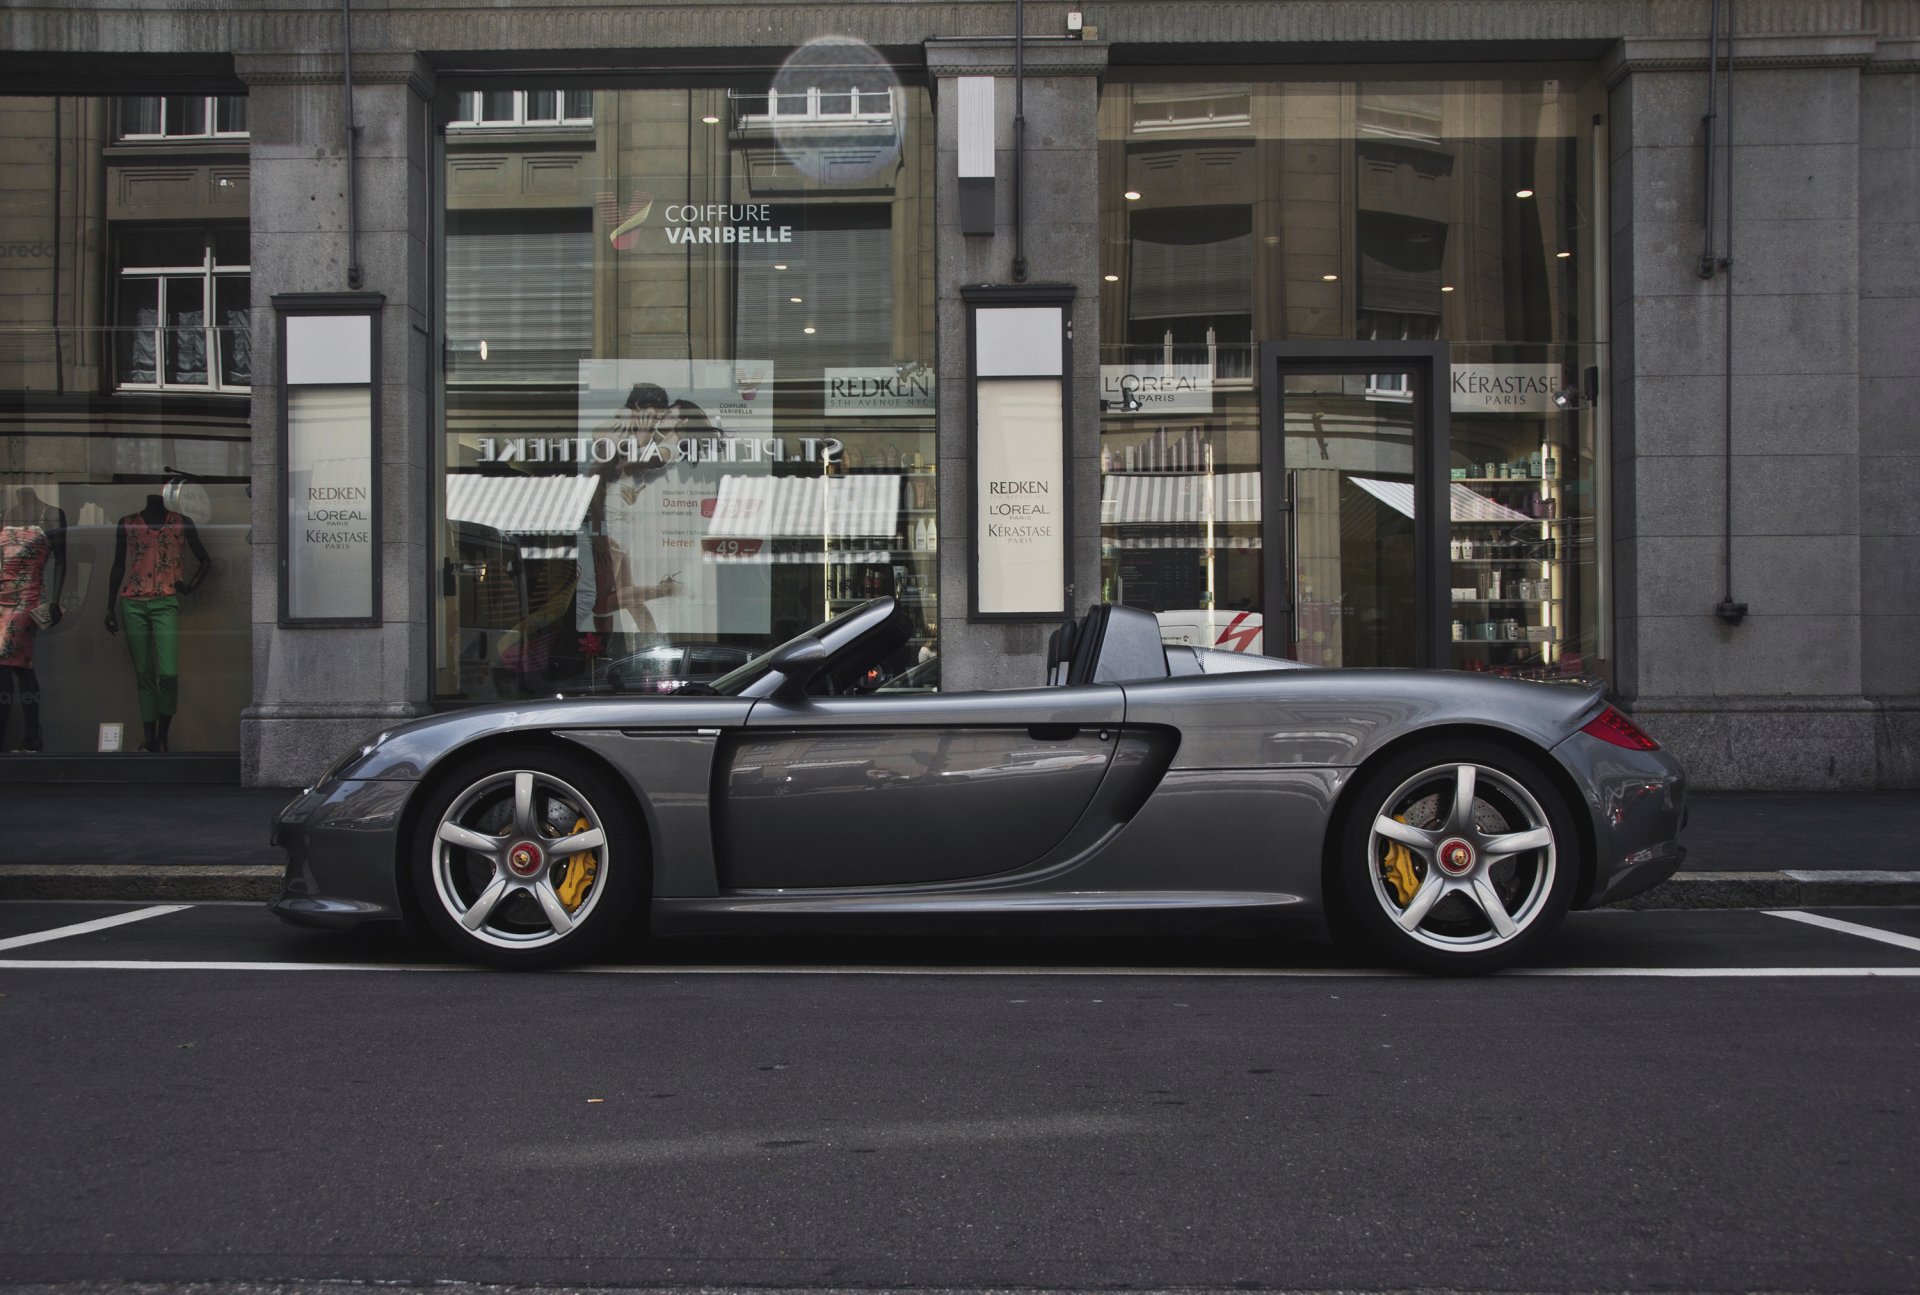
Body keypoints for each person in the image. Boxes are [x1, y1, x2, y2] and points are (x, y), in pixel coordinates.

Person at [104, 493, 209, 752]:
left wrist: (189, 586)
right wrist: (109, 607)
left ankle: (163, 736)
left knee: (169, 674)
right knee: (144, 674)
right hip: (132, 602)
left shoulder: (180, 522)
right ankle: (149, 738)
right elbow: (118, 565)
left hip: (165, 601)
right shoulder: (127, 523)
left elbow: (205, 559)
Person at [0, 486, 68, 752]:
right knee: (21, 666)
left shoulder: (52, 515)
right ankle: (31, 735)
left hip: (27, 599)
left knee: (6, 663)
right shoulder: (7, 514)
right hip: (2, 598)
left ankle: (13, 735)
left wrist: (55, 601)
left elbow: (63, 560)